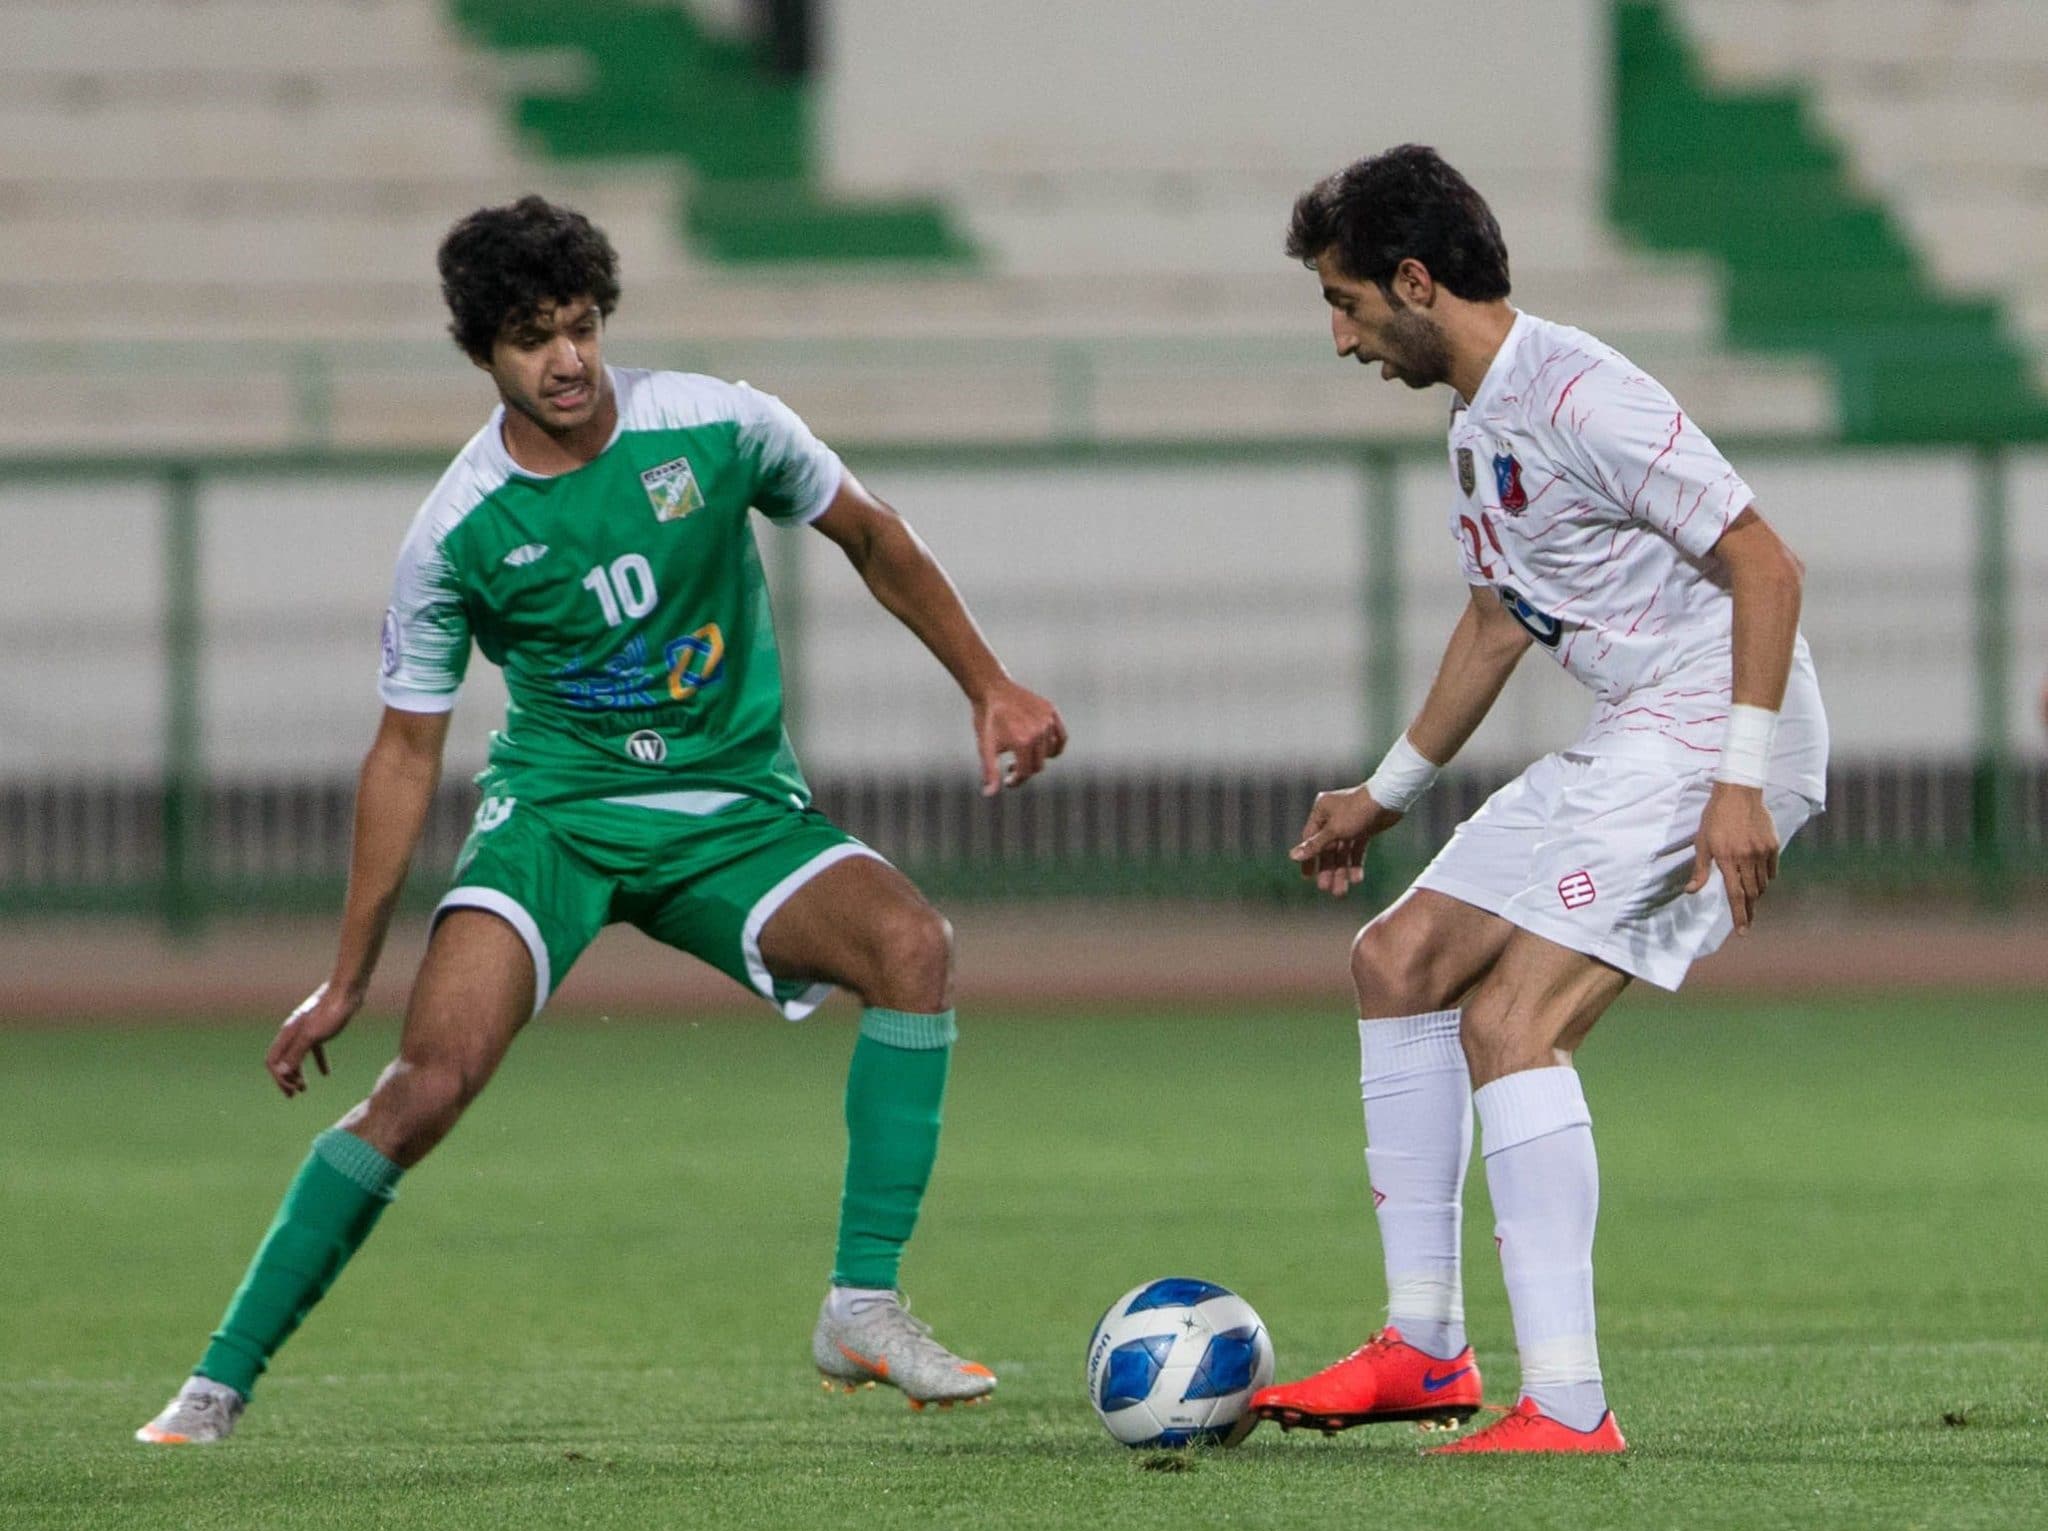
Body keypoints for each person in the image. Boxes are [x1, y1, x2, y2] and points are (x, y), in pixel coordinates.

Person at [137, 195, 1066, 1443]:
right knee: (427, 1085)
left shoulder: (722, 423)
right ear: (482, 354)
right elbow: (405, 754)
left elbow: (871, 534)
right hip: (558, 820)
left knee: (913, 948)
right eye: (531, 338)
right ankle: (214, 1386)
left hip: (733, 813)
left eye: (579, 326)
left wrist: (990, 684)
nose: (566, 359)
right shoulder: (456, 531)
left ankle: (861, 1305)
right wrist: (343, 976)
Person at [1247, 147, 1827, 1454]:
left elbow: (1766, 564)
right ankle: (1424, 1346)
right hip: (1642, 739)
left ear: (1413, 279)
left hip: (1717, 737)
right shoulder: (1475, 425)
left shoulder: (1579, 392)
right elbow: (1498, 621)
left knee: (1510, 1022)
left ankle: (1568, 1402)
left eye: (1344, 303)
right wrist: (1386, 793)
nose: (1339, 337)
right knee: (1396, 959)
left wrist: (1737, 781)